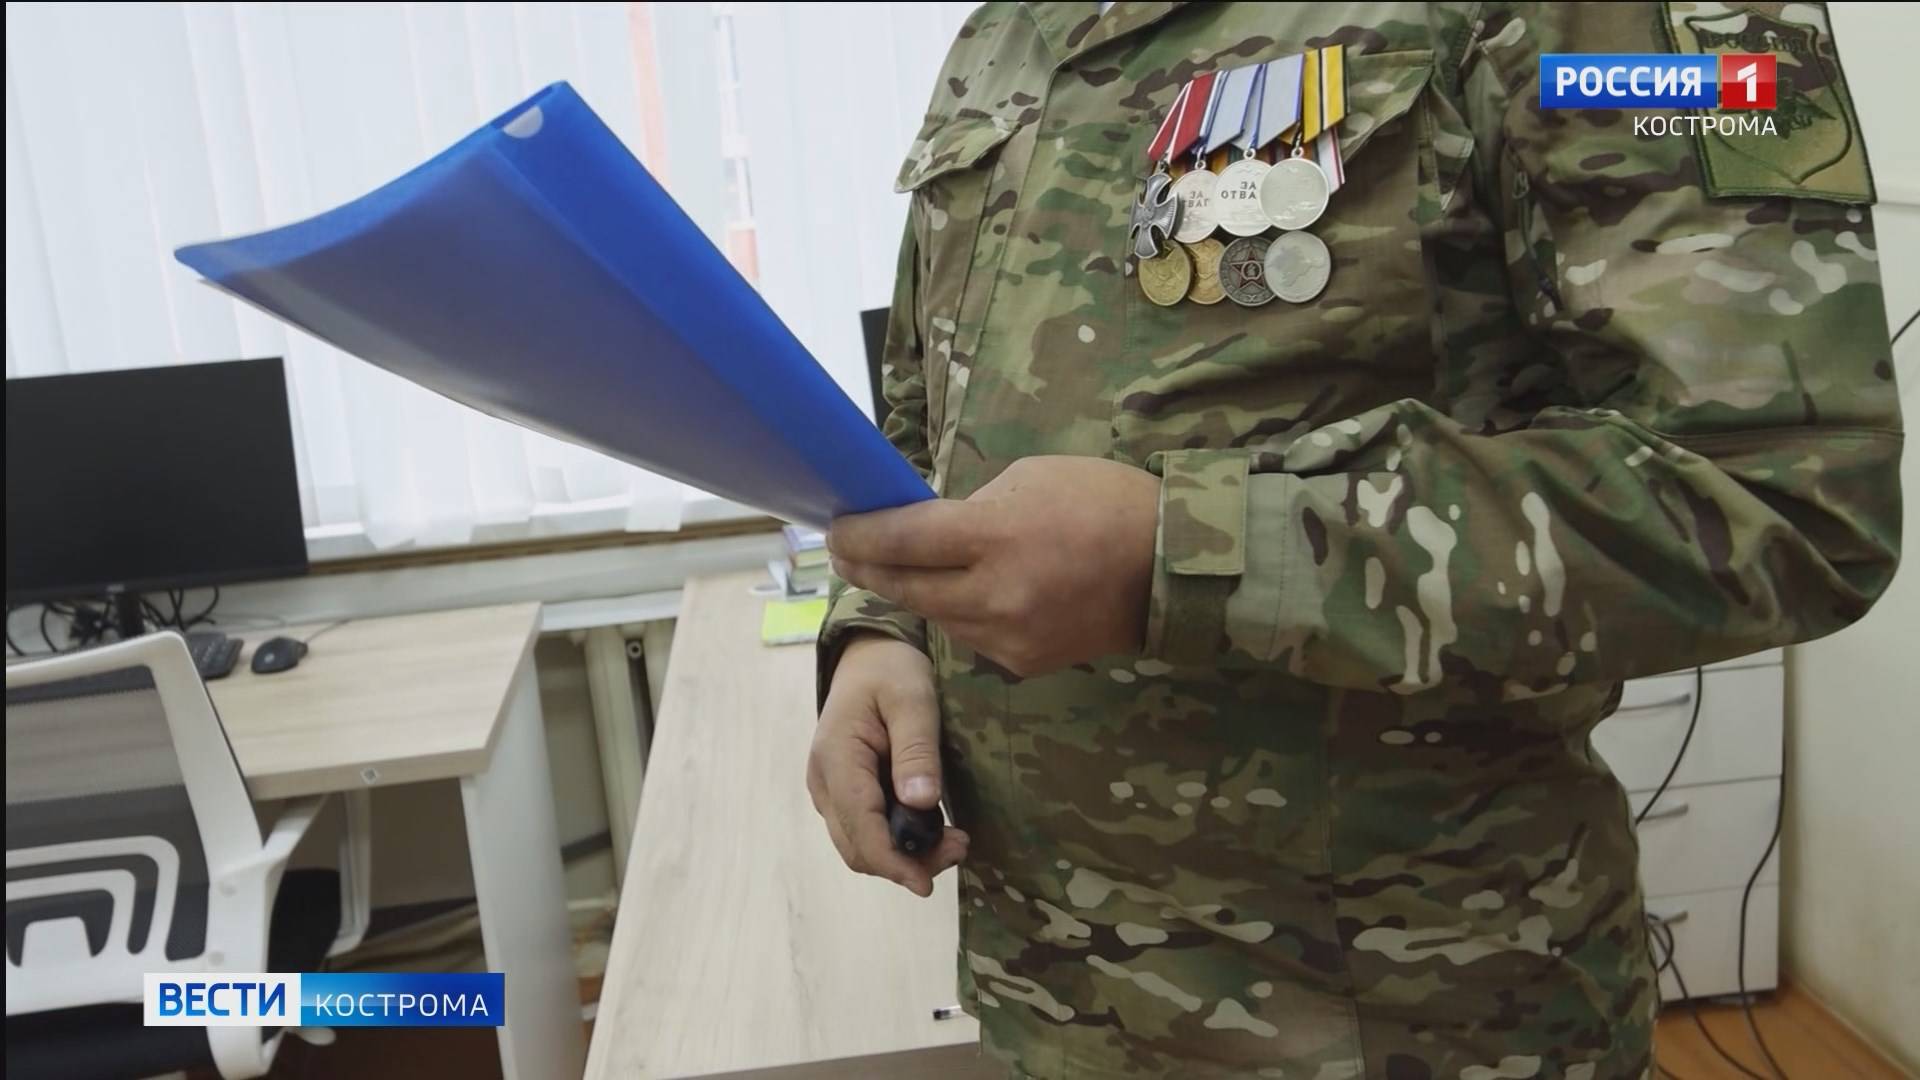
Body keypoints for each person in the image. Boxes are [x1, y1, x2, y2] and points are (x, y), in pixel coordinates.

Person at [807, 3, 1902, 1077]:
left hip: (1407, 1019)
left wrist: (1185, 550)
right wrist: (882, 630)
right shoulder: (1009, 29)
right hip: (1047, 1001)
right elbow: (929, 410)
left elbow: (1781, 498)